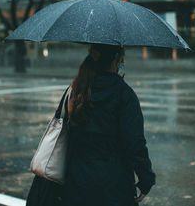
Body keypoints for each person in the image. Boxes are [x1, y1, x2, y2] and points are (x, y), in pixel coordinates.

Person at [61, 44, 156, 206]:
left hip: (77, 182)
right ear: (116, 60)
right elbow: (134, 143)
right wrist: (146, 178)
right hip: (114, 186)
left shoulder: (77, 90)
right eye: (122, 59)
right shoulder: (124, 94)